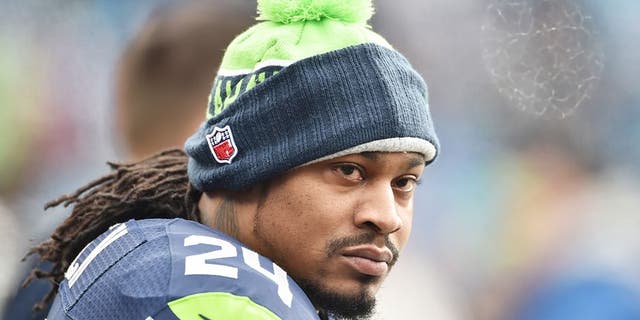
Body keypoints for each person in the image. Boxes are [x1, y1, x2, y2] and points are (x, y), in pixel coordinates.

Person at [27, 0, 440, 319]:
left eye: (404, 183)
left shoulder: (161, 249)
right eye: (349, 171)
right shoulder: (222, 296)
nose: (388, 217)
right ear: (245, 167)